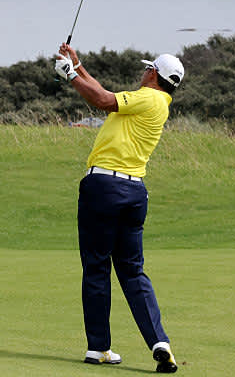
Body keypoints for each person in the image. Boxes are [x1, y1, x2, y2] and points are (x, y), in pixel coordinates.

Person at [55, 44, 184, 373]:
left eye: (147, 69)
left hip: (103, 188)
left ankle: (98, 348)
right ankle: (159, 342)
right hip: (134, 192)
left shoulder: (147, 97)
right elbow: (104, 94)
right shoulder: (158, 103)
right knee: (132, 271)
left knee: (97, 267)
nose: (143, 73)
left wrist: (68, 75)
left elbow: (101, 100)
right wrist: (78, 65)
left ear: (153, 74)